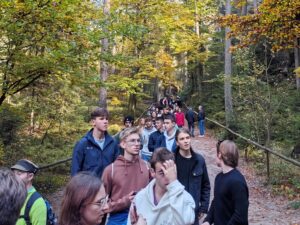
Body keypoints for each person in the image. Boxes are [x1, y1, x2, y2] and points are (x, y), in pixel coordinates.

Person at [127, 147, 195, 225]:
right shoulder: (140, 198)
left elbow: (187, 221)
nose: (168, 177)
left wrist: (173, 184)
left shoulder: (185, 198)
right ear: (153, 172)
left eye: (170, 172)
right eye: (162, 173)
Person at [102, 127, 151, 225]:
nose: (137, 144)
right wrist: (125, 201)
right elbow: (102, 204)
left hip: (142, 216)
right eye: (132, 141)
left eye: (138, 141)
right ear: (123, 144)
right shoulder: (111, 170)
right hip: (118, 218)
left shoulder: (146, 166)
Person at [202, 140, 249, 225]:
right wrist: (208, 220)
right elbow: (216, 201)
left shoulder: (237, 182)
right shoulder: (219, 177)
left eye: (216, 153)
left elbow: (240, 216)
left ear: (220, 155)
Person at [174, 129, 211, 225]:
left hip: (194, 211)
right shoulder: (172, 161)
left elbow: (205, 185)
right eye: (182, 139)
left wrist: (203, 207)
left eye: (187, 138)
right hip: (175, 212)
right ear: (177, 142)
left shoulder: (199, 160)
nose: (186, 141)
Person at [71, 107, 119, 177]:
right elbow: (75, 171)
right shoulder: (83, 144)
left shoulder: (113, 143)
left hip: (108, 186)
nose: (105, 121)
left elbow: (117, 167)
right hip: (89, 186)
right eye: (101, 119)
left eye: (107, 119)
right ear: (93, 122)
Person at [11, 159, 47, 225]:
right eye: (13, 173)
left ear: (30, 176)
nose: (14, 177)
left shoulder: (37, 202)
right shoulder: (10, 196)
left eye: (19, 174)